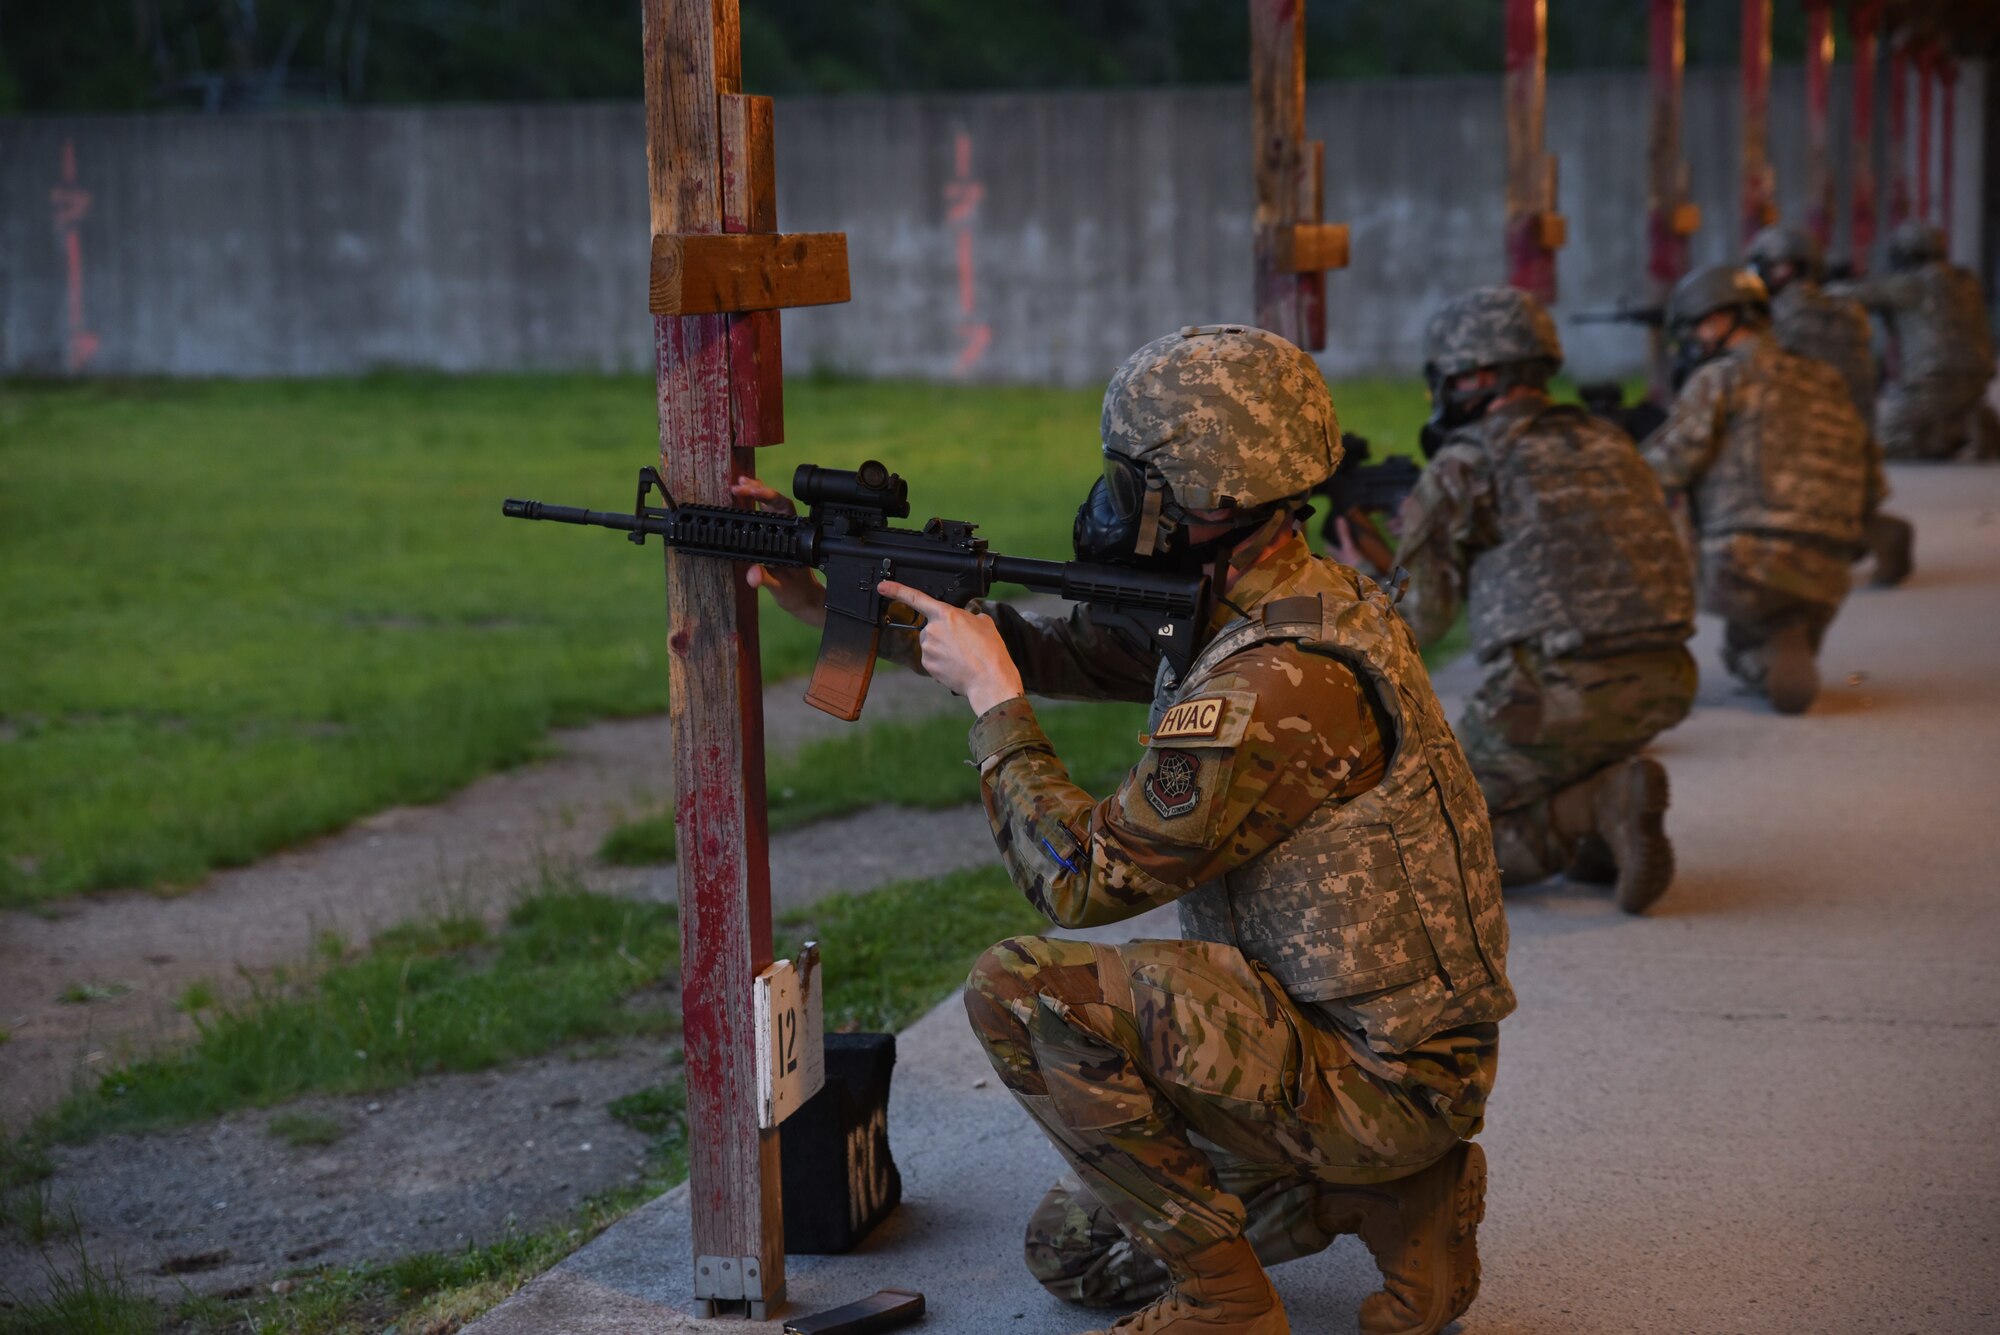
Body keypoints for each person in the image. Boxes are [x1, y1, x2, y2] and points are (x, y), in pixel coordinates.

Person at [741, 325, 1514, 1335]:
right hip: (1359, 1042)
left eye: (1133, 479)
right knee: (1073, 1255)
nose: (1109, 503)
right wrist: (842, 601)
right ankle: (1393, 1198)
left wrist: (993, 708)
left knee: (1023, 992)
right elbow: (1077, 647)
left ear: (1211, 493)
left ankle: (1226, 1302)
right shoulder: (1281, 595)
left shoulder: (1275, 681)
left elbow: (1081, 879)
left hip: (1377, 1075)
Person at [1392, 287, 1696, 913]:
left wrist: (1370, 578)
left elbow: (1417, 621)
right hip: (1665, 681)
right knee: (1546, 748)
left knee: (1411, 846)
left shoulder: (1465, 463)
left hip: (1553, 696)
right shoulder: (1612, 442)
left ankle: (1588, 809)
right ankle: (1606, 804)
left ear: (1474, 374)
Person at [1641, 266, 1874, 715]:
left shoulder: (1720, 378)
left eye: (1697, 328)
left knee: (1742, 646)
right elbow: (1870, 474)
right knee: (1795, 614)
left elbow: (1668, 464)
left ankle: (1758, 653)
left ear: (1718, 320)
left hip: (1743, 566)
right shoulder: (1825, 378)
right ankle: (1792, 629)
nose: (1697, 339)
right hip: (1831, 567)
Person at [1745, 223, 1913, 586]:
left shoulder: (1774, 319)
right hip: (1860, 451)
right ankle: (1861, 532)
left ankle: (1868, 535)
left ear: (1783, 269)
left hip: (1812, 460)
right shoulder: (1846, 310)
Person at [1829, 220, 1999, 462]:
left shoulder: (1912, 283)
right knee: (1930, 414)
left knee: (1875, 441)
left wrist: (1831, 283)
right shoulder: (1965, 281)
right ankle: (1967, 421)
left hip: (1934, 381)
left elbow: (1850, 295)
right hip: (1977, 378)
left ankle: (1954, 432)